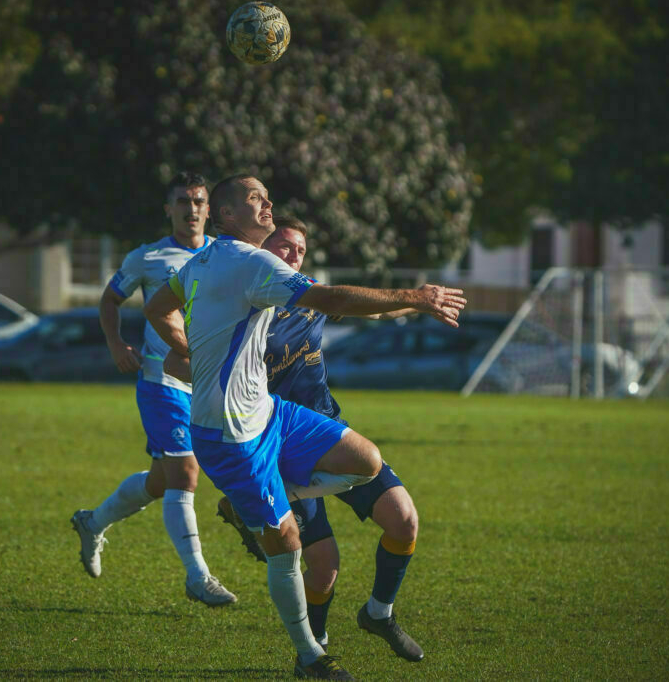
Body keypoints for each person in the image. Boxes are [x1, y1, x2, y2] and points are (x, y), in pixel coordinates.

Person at [143, 174, 466, 680]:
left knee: (369, 462)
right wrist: (416, 294)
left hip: (275, 415)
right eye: (256, 199)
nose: (268, 203)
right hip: (233, 435)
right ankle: (311, 656)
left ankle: (360, 597)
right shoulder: (248, 263)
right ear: (228, 216)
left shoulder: (206, 263)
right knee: (290, 547)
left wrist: (418, 302)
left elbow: (157, 307)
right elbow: (334, 299)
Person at [220, 215, 427, 661]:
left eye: (299, 248)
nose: (293, 254)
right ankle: (314, 652)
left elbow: (372, 308)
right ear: (261, 249)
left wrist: (422, 302)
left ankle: (379, 613)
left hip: (326, 434)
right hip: (278, 446)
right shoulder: (245, 303)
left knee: (404, 520)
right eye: (283, 246)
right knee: (324, 569)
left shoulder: (309, 294)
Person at [69, 171, 237, 607]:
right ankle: (198, 577)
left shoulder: (224, 253)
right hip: (161, 379)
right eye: (183, 200)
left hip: (206, 382)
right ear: (169, 208)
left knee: (162, 481)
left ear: (210, 208)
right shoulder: (148, 257)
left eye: (200, 201)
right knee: (185, 474)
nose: (192, 208)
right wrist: (115, 342)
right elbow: (110, 299)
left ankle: (93, 521)